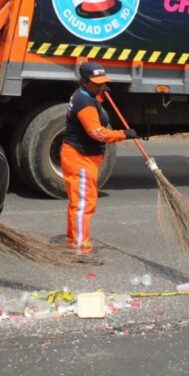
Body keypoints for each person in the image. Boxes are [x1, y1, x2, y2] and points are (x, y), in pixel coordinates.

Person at [62, 61, 135, 255]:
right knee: (83, 204)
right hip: (80, 158)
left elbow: (96, 103)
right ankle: (79, 248)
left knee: (85, 202)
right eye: (96, 83)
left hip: (86, 157)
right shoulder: (83, 102)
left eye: (103, 82)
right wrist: (123, 134)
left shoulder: (87, 96)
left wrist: (100, 95)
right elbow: (97, 132)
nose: (101, 86)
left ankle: (76, 241)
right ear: (84, 82)